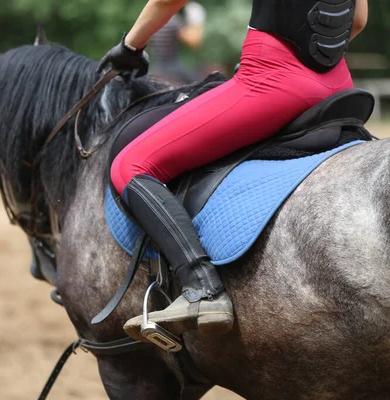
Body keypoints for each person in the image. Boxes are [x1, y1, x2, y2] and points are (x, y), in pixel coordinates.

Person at [98, 0, 369, 340]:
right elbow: (357, 20)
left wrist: (131, 46)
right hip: (339, 84)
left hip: (271, 80)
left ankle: (202, 287)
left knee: (130, 165)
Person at [148, 1, 205, 84]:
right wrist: (197, 22)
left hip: (156, 65)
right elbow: (194, 42)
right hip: (171, 65)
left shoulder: (154, 19)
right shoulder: (173, 20)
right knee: (198, 84)